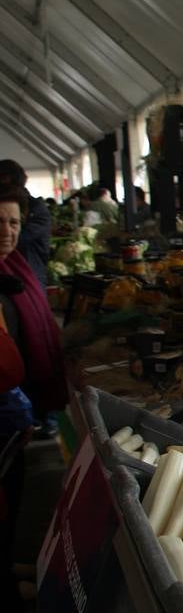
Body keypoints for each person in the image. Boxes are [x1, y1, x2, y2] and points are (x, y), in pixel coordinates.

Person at [0, 185, 67, 559]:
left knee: (13, 494)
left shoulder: (15, 270)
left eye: (13, 222)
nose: (7, 231)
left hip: (15, 414)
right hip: (4, 410)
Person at [0, 161, 51, 286]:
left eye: (14, 222)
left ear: (6, 179)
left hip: (29, 275)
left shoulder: (35, 208)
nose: (6, 231)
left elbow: (20, 237)